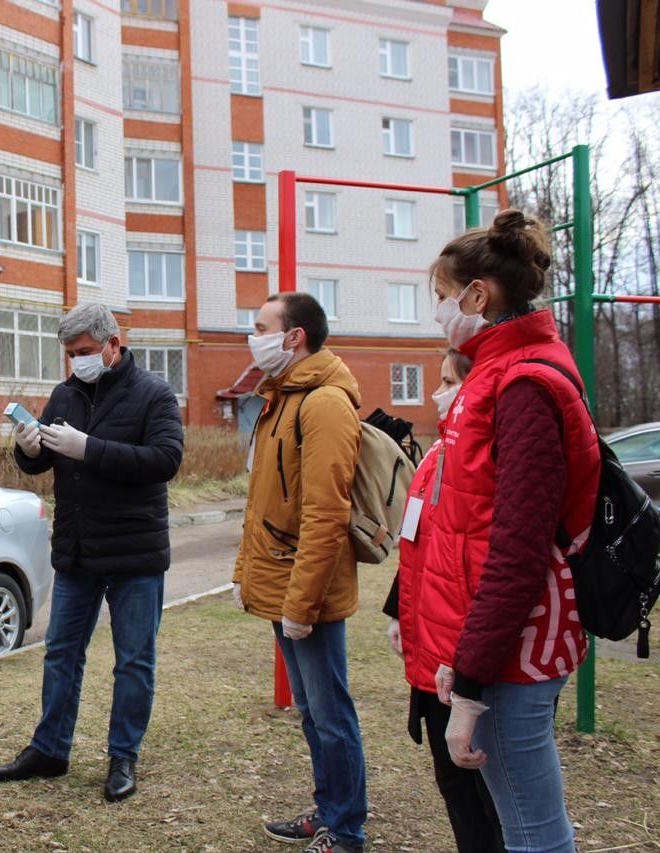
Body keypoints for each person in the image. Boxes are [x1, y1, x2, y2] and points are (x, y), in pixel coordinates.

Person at [422, 210, 599, 852]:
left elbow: (517, 546)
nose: (439, 313)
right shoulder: (502, 370)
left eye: (443, 298)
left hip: (516, 639)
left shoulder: (521, 383)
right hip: (499, 633)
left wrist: (472, 678)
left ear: (478, 294)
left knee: (531, 829)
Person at [0, 303, 183, 803]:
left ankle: (123, 756)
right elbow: (41, 463)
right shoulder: (65, 394)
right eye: (70, 354)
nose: (77, 362)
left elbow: (165, 460)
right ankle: (50, 749)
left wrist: (88, 448)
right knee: (61, 655)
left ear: (114, 344)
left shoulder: (153, 394)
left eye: (85, 352)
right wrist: (30, 449)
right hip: (76, 550)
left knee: (133, 660)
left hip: (134, 553)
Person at [232, 292, 367, 853]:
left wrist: (301, 604)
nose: (252, 335)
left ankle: (347, 828)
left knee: (330, 713)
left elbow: (326, 512)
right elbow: (262, 502)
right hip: (281, 581)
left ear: (294, 337)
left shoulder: (324, 403)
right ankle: (328, 811)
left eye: (261, 326)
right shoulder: (280, 399)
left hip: (306, 591)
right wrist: (245, 571)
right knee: (313, 713)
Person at [382, 351, 506, 853]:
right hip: (433, 645)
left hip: (471, 652)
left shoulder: (489, 454)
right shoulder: (438, 453)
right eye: (439, 381)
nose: (440, 392)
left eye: (451, 382)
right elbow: (421, 539)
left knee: (489, 792)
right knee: (455, 785)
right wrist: (397, 609)